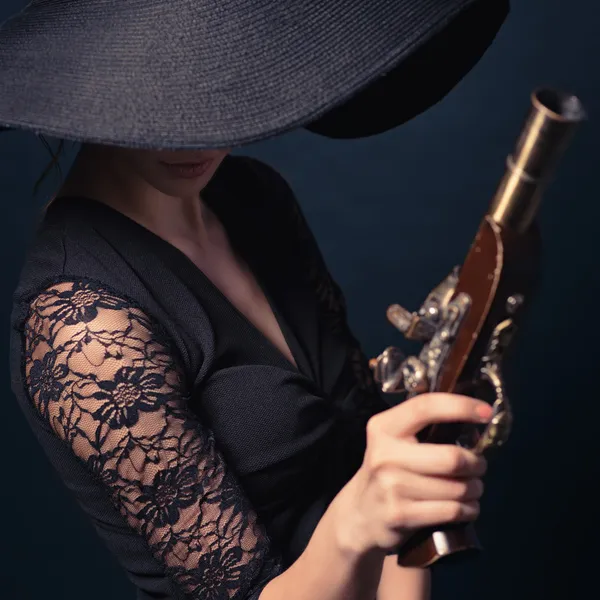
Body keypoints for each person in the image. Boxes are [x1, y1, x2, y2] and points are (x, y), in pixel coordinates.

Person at [2, 0, 509, 598]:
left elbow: (370, 460)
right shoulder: (83, 328)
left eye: (220, 86)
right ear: (98, 79)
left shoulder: (255, 197)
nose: (196, 132)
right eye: (160, 94)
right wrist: (357, 524)